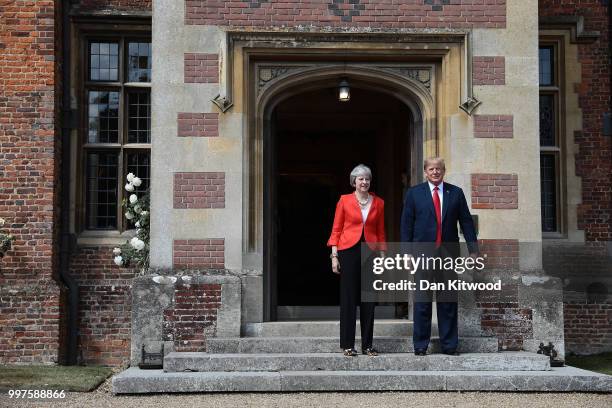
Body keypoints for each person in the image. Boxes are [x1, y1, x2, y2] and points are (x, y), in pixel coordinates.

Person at [400, 157, 478, 356]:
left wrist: (473, 251)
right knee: (422, 302)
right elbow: (406, 225)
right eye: (431, 169)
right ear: (425, 172)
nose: (435, 172)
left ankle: (450, 345)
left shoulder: (456, 193)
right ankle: (420, 345)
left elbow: (467, 223)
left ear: (444, 171)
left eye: (439, 169)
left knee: (447, 302)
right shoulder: (414, 194)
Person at [327, 164, 387, 357]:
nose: (364, 182)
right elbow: (336, 229)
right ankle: (347, 345)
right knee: (349, 298)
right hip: (348, 250)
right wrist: (334, 256)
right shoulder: (344, 201)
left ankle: (368, 345)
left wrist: (383, 256)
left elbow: (380, 231)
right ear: (354, 182)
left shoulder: (379, 202)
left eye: (367, 178)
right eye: (360, 179)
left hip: (370, 252)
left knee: (369, 299)